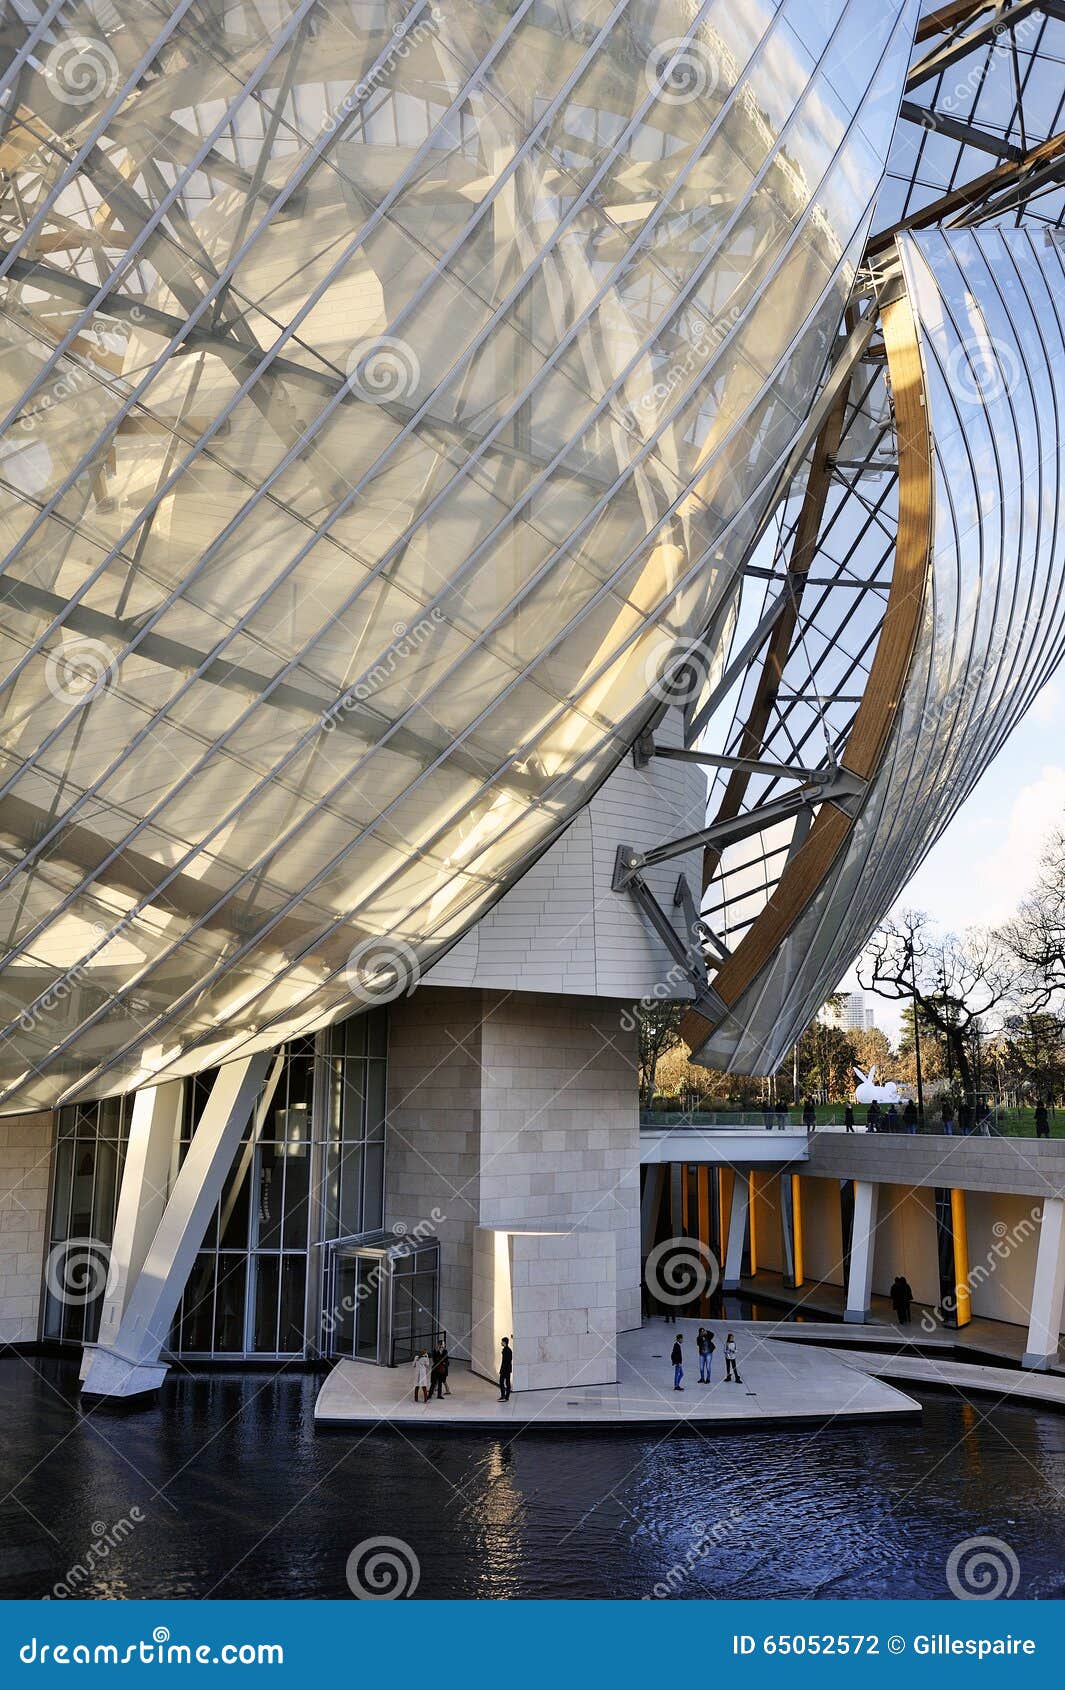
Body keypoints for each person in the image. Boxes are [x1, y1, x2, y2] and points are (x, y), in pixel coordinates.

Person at [498, 1336, 513, 1401]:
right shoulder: (506, 1350)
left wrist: (502, 1370)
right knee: (505, 1382)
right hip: (506, 1369)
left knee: (505, 1382)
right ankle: (504, 1396)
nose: (501, 1342)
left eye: (502, 1341)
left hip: (506, 1370)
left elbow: (506, 1361)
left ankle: (505, 1397)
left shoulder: (508, 1350)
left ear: (504, 1342)